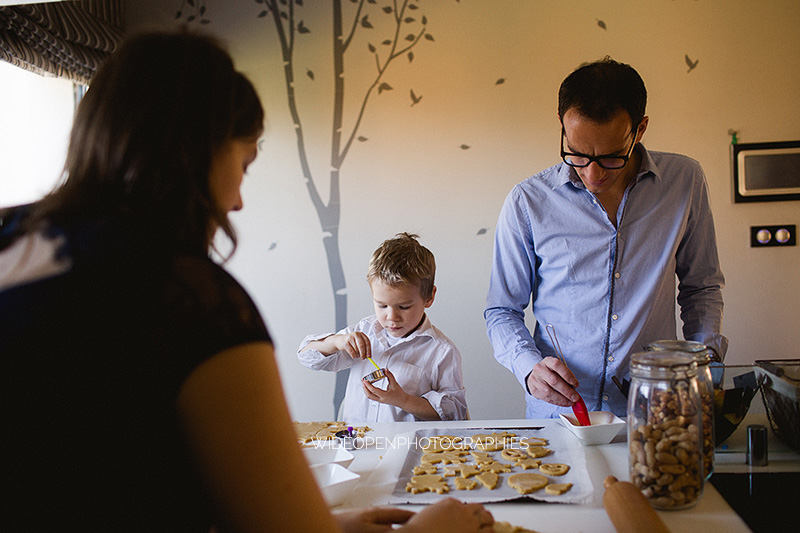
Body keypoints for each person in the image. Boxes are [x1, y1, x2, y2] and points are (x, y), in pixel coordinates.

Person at [0, 31, 493, 532]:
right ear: (197, 153)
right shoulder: (192, 299)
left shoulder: (8, 237)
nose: (237, 201)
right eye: (244, 164)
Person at [484, 57, 728, 420]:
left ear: (640, 129)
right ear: (562, 124)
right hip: (560, 414)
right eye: (577, 154)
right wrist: (528, 367)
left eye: (611, 157)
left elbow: (702, 288)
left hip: (653, 411)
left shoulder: (684, 181)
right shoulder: (528, 201)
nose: (592, 173)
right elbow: (502, 310)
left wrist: (702, 365)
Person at [299, 233, 468, 423]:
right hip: (357, 439)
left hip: (410, 441)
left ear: (429, 297)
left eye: (404, 307)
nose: (391, 316)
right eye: (382, 305)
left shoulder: (442, 352)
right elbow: (306, 357)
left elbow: (455, 413)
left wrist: (403, 400)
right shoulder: (363, 331)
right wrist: (336, 341)